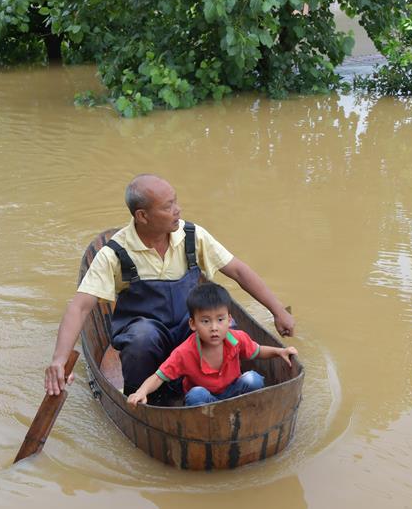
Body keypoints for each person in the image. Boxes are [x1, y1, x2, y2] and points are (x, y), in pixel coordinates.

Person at [44, 174, 295, 397]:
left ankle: (210, 389)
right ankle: (149, 398)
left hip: (189, 326)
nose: (178, 210)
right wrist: (59, 360)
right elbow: (80, 307)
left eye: (175, 202)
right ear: (142, 216)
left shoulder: (192, 236)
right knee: (143, 338)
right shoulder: (115, 253)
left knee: (222, 328)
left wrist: (278, 311)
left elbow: (238, 271)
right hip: (146, 333)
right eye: (168, 206)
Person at [126, 283, 297, 407]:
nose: (214, 328)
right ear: (193, 324)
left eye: (220, 320)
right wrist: (142, 391)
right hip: (204, 400)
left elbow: (257, 350)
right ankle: (206, 420)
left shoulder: (236, 338)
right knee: (196, 394)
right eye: (206, 321)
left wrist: (279, 351)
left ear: (229, 320)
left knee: (253, 379)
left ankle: (241, 409)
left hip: (232, 393)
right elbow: (159, 376)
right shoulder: (185, 352)